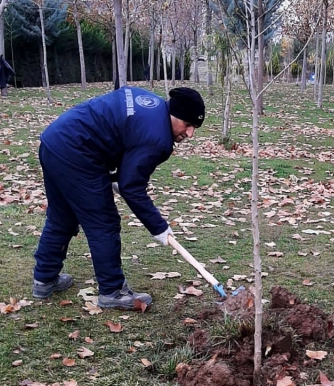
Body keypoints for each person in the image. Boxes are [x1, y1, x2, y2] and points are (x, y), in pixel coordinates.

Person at [32, 85, 205, 309]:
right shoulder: (158, 138)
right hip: (78, 153)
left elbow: (121, 136)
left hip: (55, 141)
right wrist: (159, 227)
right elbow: (131, 187)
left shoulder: (150, 103)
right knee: (103, 223)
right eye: (188, 124)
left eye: (195, 127)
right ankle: (112, 291)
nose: (190, 133)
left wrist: (116, 174)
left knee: (62, 217)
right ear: (174, 114)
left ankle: (44, 279)